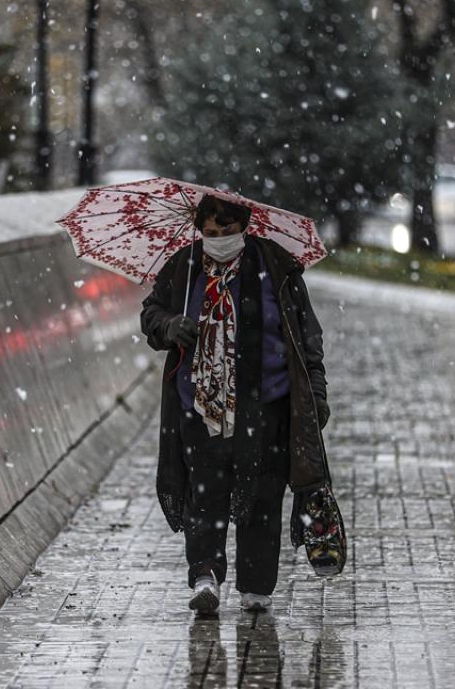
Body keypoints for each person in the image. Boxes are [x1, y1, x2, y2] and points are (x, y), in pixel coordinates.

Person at [140, 195, 330, 616]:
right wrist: (171, 326)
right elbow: (151, 314)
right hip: (201, 407)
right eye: (210, 233)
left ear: (246, 227)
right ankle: (205, 575)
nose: (219, 241)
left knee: (264, 496)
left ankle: (256, 588)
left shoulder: (276, 267)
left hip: (268, 406)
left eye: (227, 233)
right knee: (203, 495)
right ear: (199, 231)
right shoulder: (183, 267)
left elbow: (305, 336)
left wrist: (315, 393)